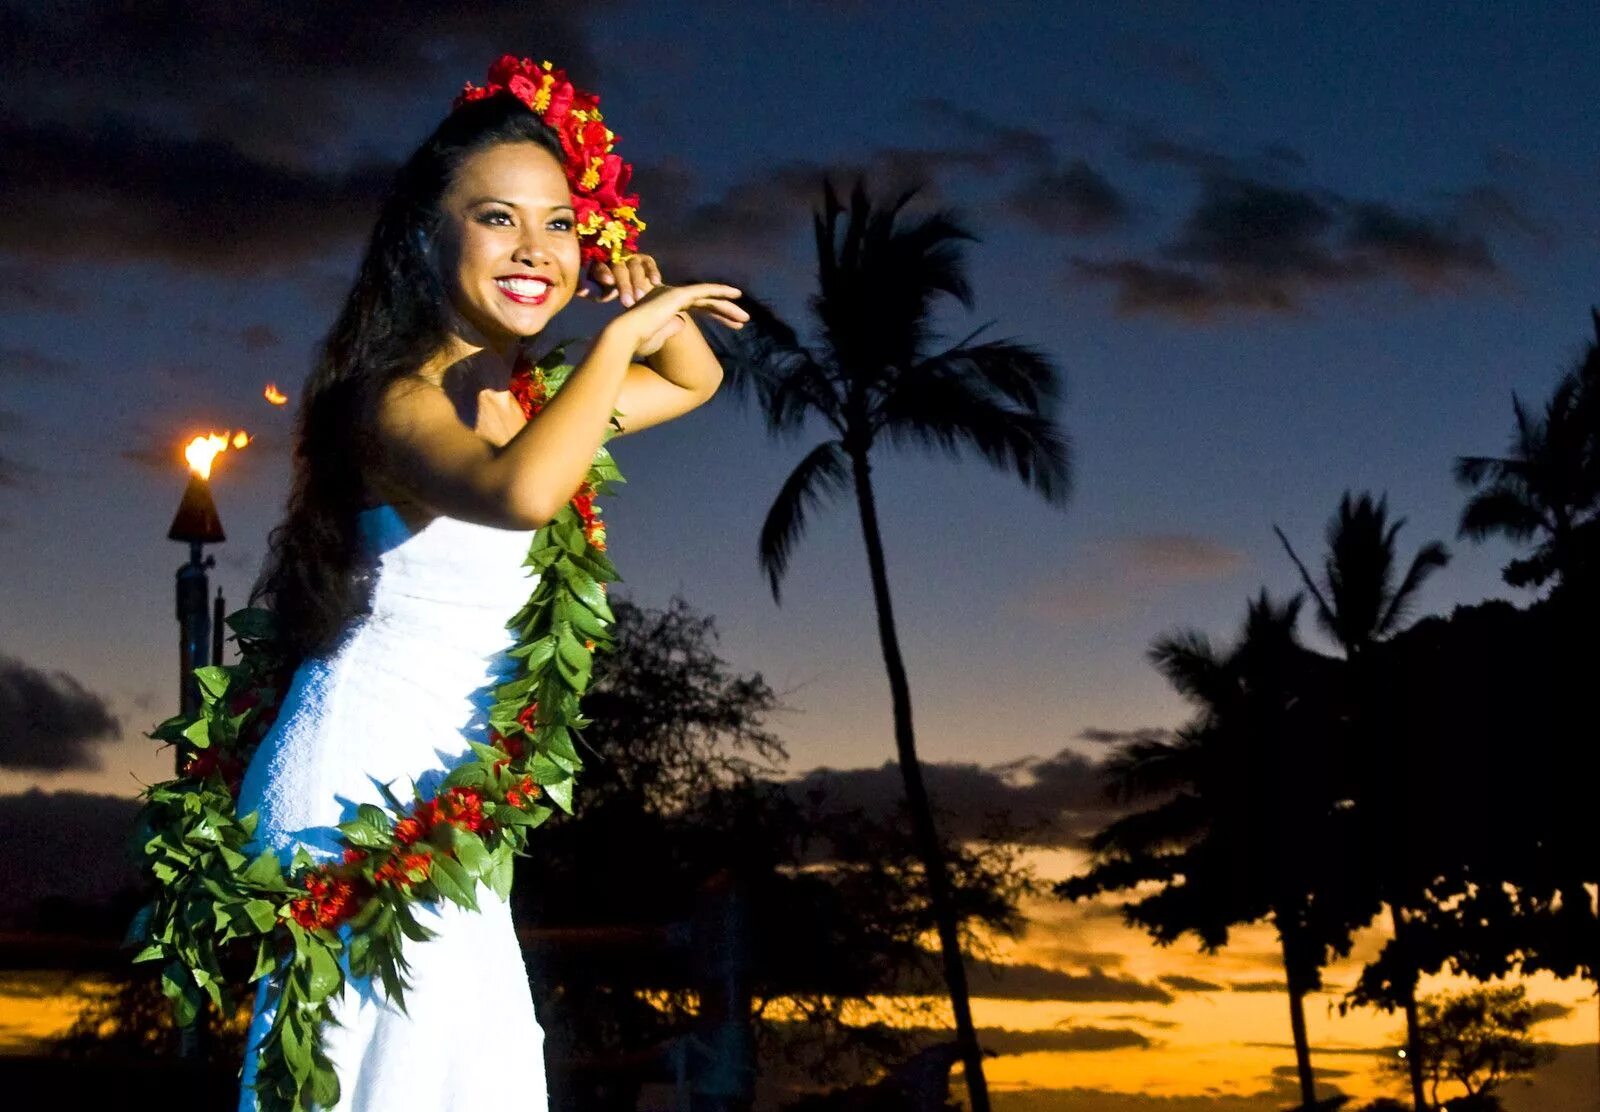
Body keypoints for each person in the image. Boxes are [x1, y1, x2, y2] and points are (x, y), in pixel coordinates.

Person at [234, 60, 746, 1111]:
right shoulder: (394, 401)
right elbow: (519, 493)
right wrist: (611, 342)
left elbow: (697, 378)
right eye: (499, 219)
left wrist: (642, 298)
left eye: (559, 225)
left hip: (454, 802)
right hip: (357, 796)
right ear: (430, 237)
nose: (535, 250)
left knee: (475, 1071)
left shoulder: (535, 402)